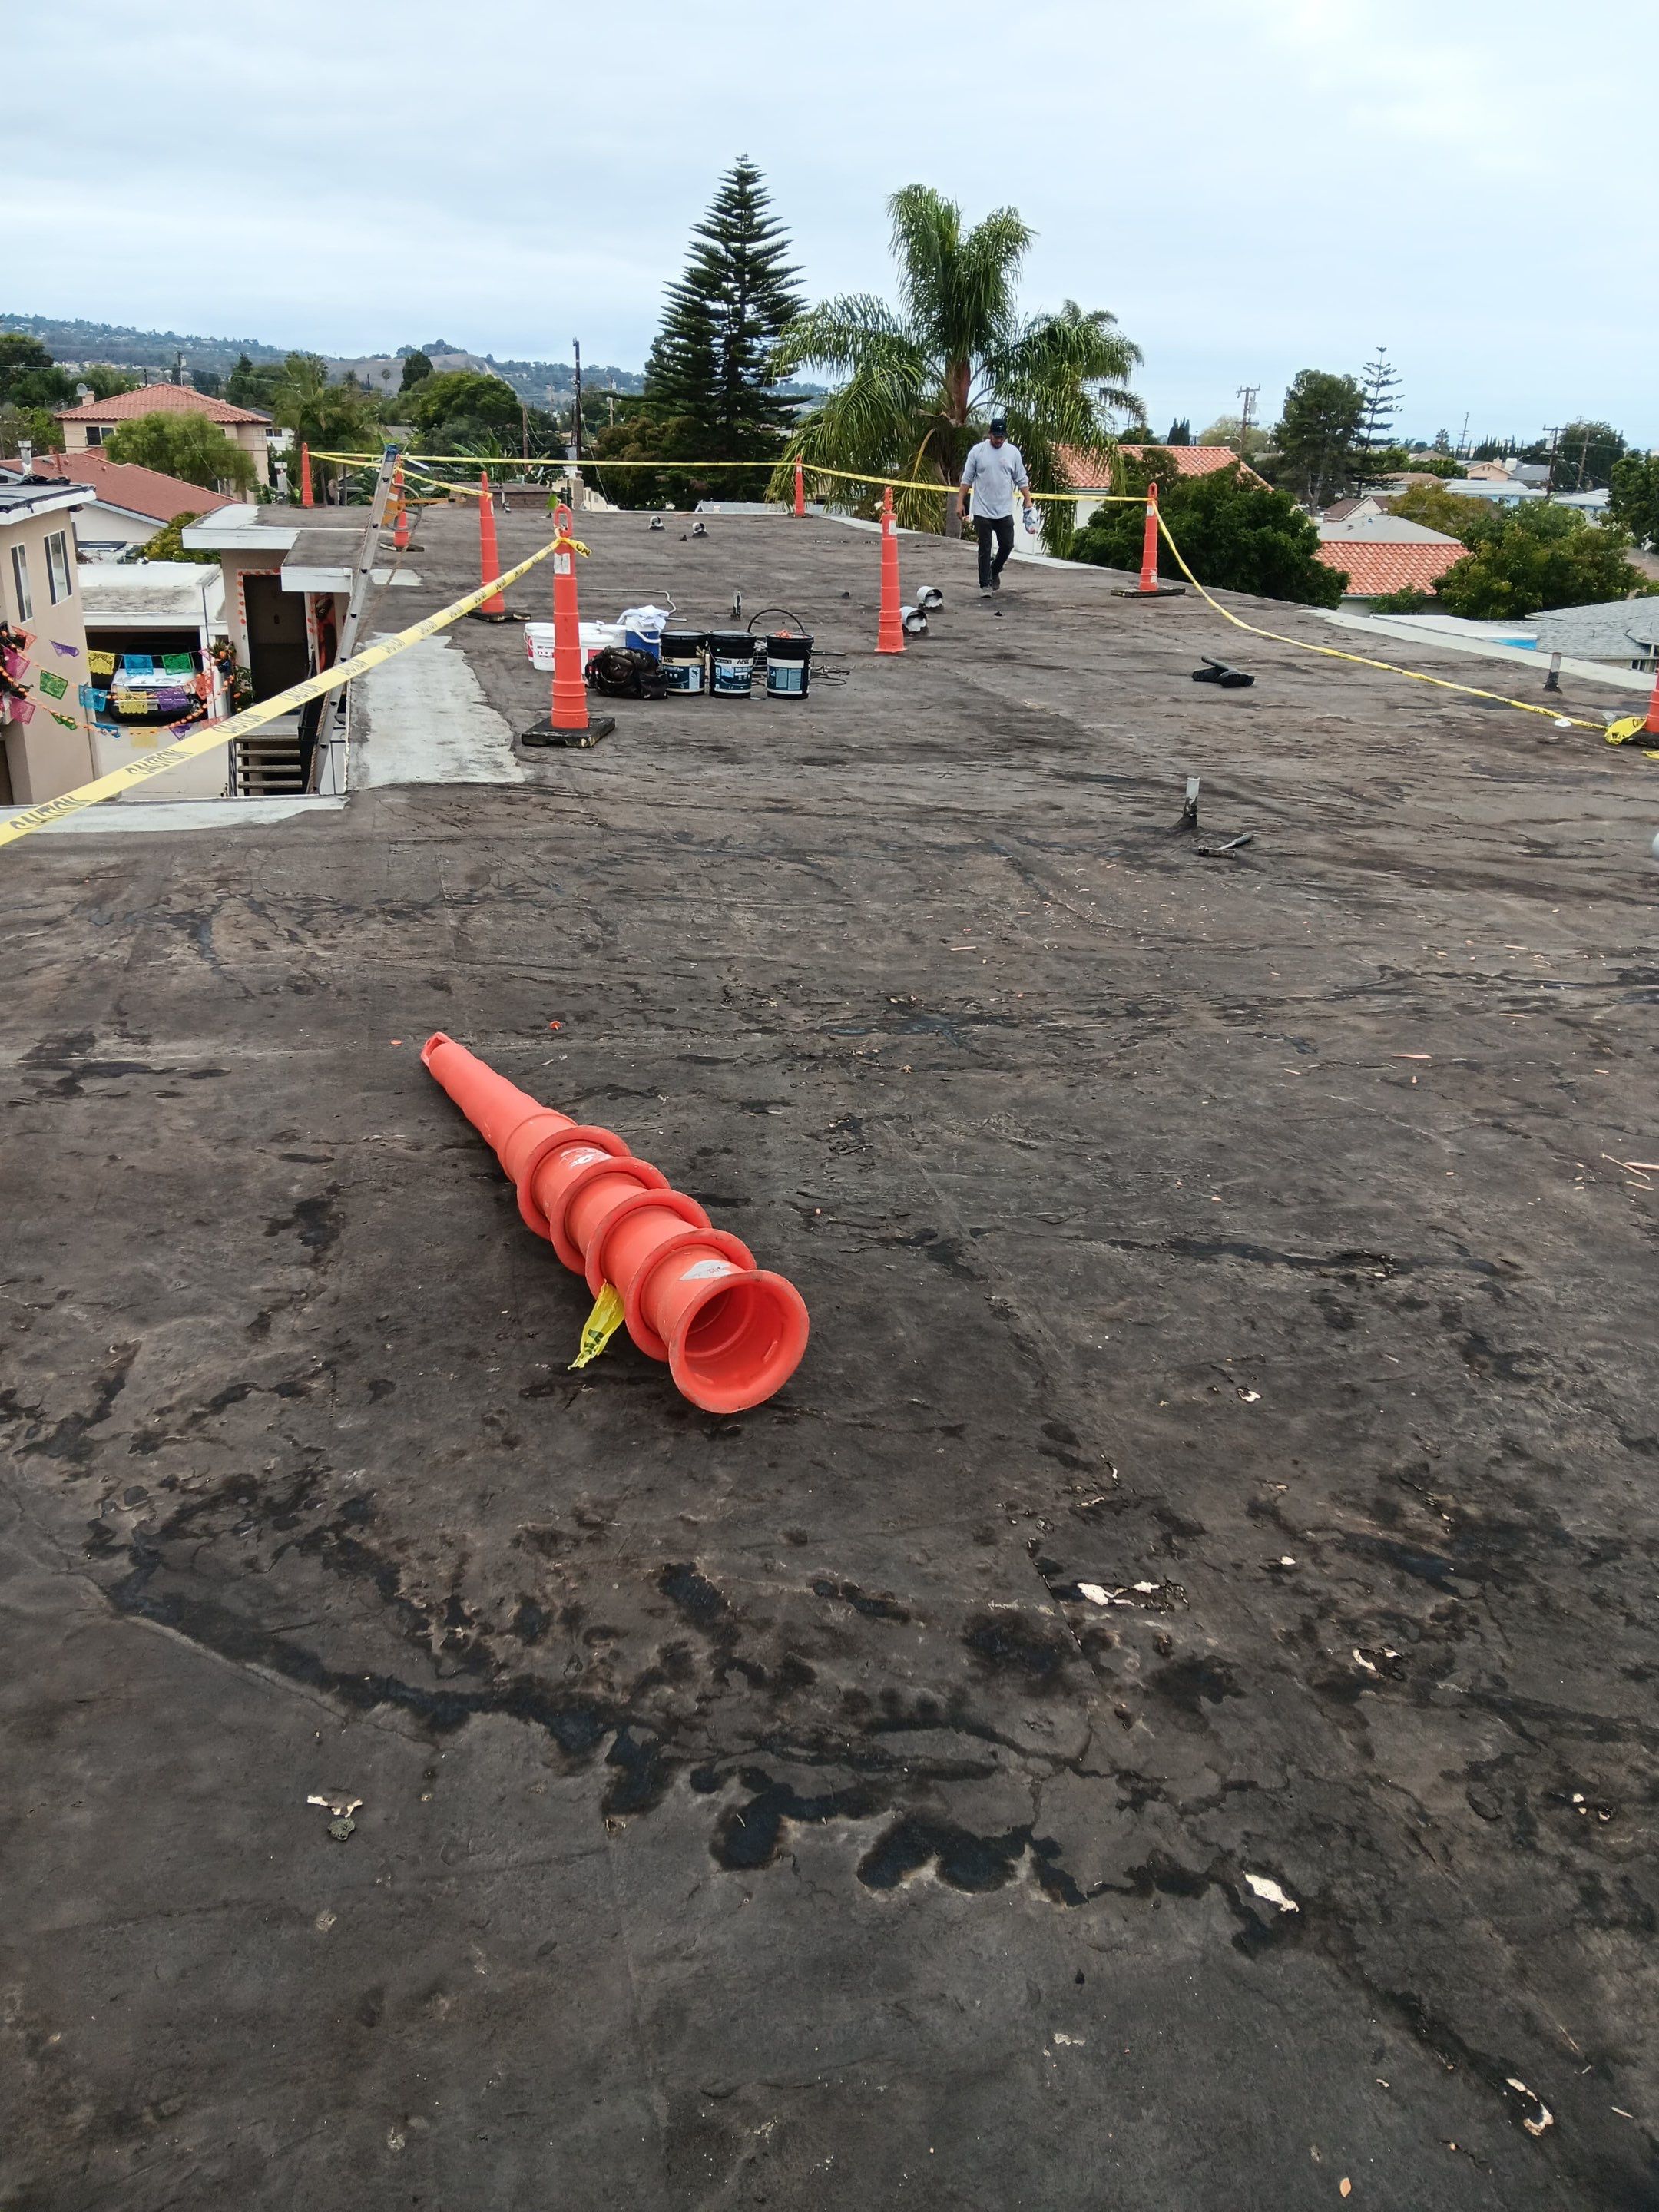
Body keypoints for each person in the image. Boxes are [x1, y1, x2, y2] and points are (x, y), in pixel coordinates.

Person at [959, 412, 1035, 594]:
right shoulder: (978, 452)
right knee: (985, 546)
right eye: (996, 437)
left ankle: (995, 570)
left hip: (1003, 510)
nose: (999, 441)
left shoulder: (1012, 453)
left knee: (1007, 544)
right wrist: (960, 502)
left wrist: (1028, 499)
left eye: (1002, 438)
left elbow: (1021, 479)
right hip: (982, 509)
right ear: (989, 434)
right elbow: (967, 479)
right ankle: (985, 584)